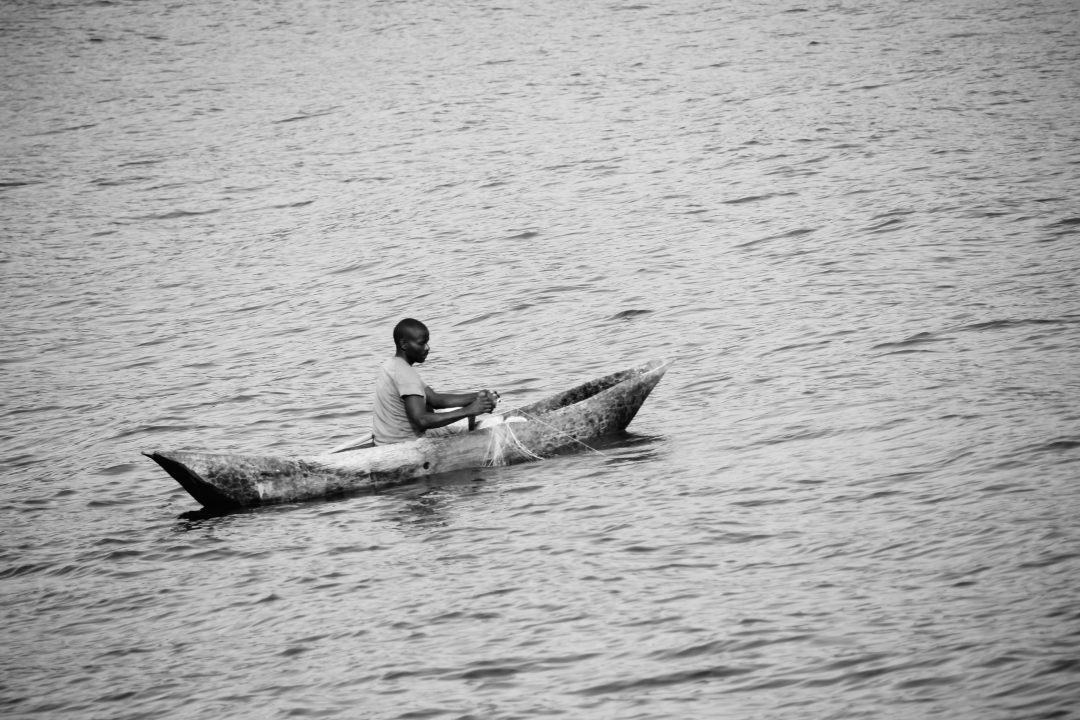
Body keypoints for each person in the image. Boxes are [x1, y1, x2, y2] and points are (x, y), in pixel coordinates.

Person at [371, 318, 498, 445]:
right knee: (471, 422)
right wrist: (469, 411)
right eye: (421, 343)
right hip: (406, 443)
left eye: (427, 342)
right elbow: (422, 420)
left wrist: (478, 396)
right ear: (404, 344)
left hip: (384, 441)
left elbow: (435, 400)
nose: (427, 348)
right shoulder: (406, 374)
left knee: (459, 416)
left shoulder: (390, 365)